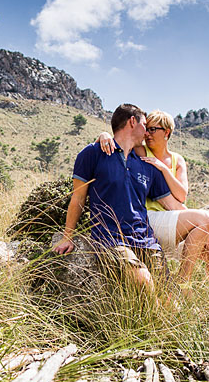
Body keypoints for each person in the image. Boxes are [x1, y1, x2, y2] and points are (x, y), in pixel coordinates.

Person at [53, 104, 184, 294]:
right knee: (144, 282)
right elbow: (78, 197)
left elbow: (173, 204)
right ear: (132, 122)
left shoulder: (147, 166)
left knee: (170, 297)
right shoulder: (93, 153)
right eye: (145, 125)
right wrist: (67, 236)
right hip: (111, 240)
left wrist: (201, 228)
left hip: (147, 241)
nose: (147, 132)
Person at [96, 110, 209, 300]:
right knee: (204, 220)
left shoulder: (176, 160)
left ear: (167, 133)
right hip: (150, 220)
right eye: (146, 129)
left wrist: (163, 168)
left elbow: (180, 196)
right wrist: (103, 135)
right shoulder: (140, 152)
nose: (147, 134)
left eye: (153, 129)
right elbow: (121, 140)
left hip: (174, 221)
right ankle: (183, 284)